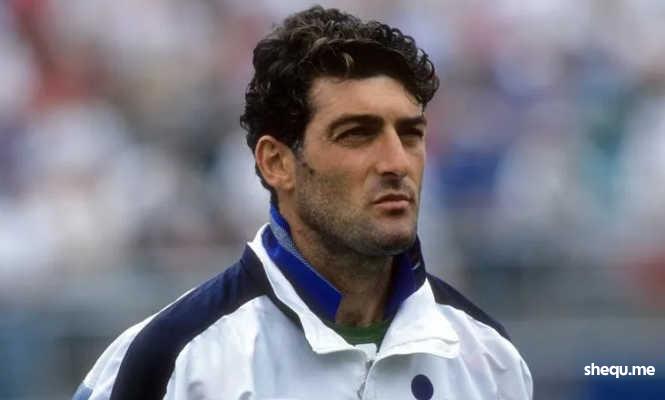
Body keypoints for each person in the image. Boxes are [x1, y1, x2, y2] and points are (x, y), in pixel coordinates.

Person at [73, 6, 532, 400]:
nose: (396, 162)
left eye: (410, 134)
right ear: (277, 163)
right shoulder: (173, 362)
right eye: (357, 134)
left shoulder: (489, 359)